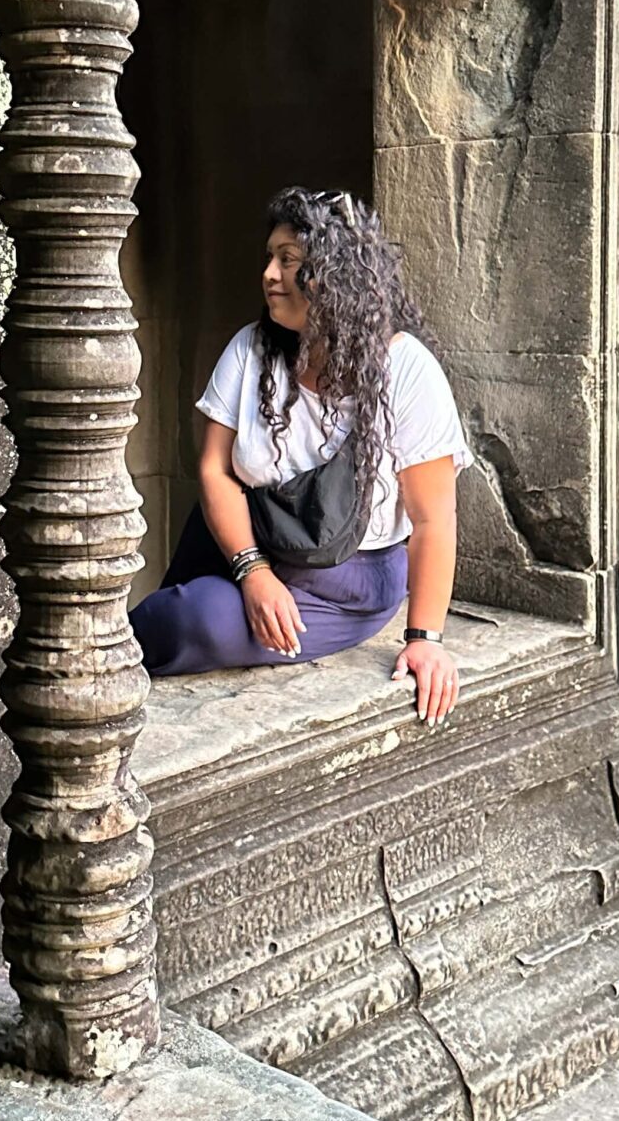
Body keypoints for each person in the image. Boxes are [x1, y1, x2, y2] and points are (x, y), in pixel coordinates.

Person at [130, 186, 470, 727]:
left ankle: (99, 658)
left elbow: (433, 519)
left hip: (343, 581)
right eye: (269, 258)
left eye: (288, 261)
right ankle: (93, 655)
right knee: (187, 600)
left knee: (193, 619)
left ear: (336, 277)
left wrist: (425, 639)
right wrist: (253, 571)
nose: (268, 273)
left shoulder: (407, 371)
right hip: (240, 542)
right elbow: (214, 471)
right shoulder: (250, 348)